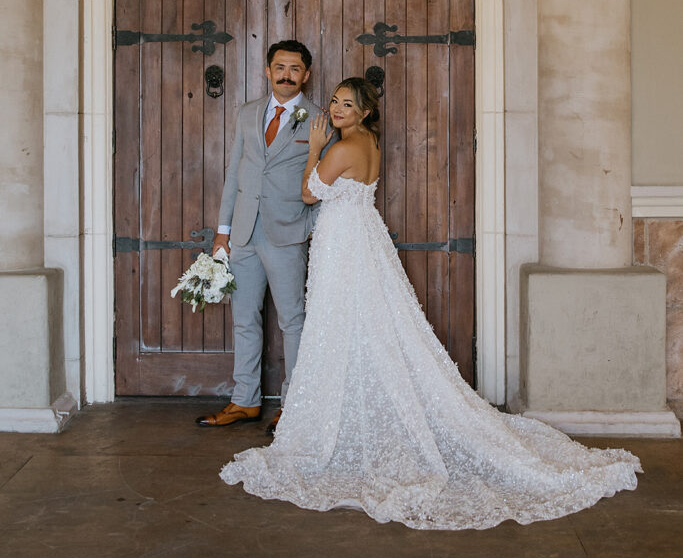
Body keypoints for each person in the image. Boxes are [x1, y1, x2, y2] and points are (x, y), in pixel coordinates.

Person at [220, 76, 642, 531]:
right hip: (359, 238)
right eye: (336, 102)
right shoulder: (369, 143)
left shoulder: (342, 148)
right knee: (365, 321)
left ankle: (342, 418)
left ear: (365, 112)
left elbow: (308, 193)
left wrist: (315, 148)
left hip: (343, 244)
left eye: (347, 105)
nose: (337, 110)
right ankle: (352, 410)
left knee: (342, 320)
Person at [196, 40, 332, 434]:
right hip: (243, 234)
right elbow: (234, 174)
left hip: (287, 234)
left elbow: (331, 182)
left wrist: (308, 226)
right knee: (244, 320)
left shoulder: (320, 119)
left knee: (293, 321)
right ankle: (245, 400)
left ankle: (294, 406)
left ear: (306, 74)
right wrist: (223, 232)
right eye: (280, 67)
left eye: (295, 68)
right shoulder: (248, 113)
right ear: (267, 71)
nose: (286, 75)